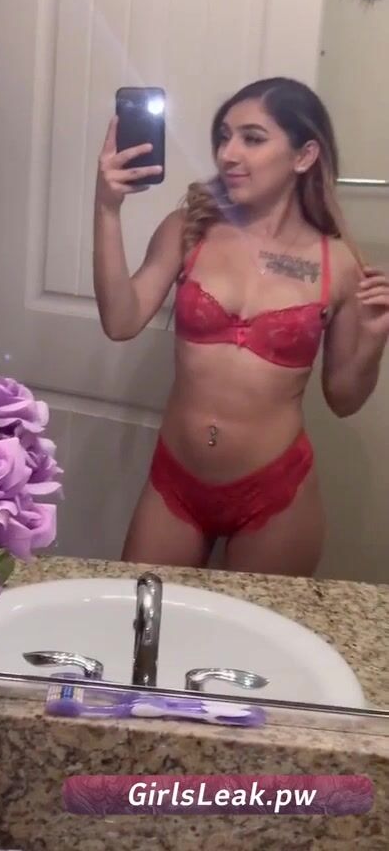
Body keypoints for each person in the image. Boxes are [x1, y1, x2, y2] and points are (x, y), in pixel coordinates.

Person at [93, 77, 389, 576]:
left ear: (304, 155)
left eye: (252, 138)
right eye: (224, 137)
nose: (228, 153)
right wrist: (107, 208)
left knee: (256, 627)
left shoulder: (337, 264)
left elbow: (343, 398)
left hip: (276, 494)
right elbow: (121, 321)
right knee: (142, 613)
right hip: (176, 484)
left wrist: (374, 341)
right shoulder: (189, 230)